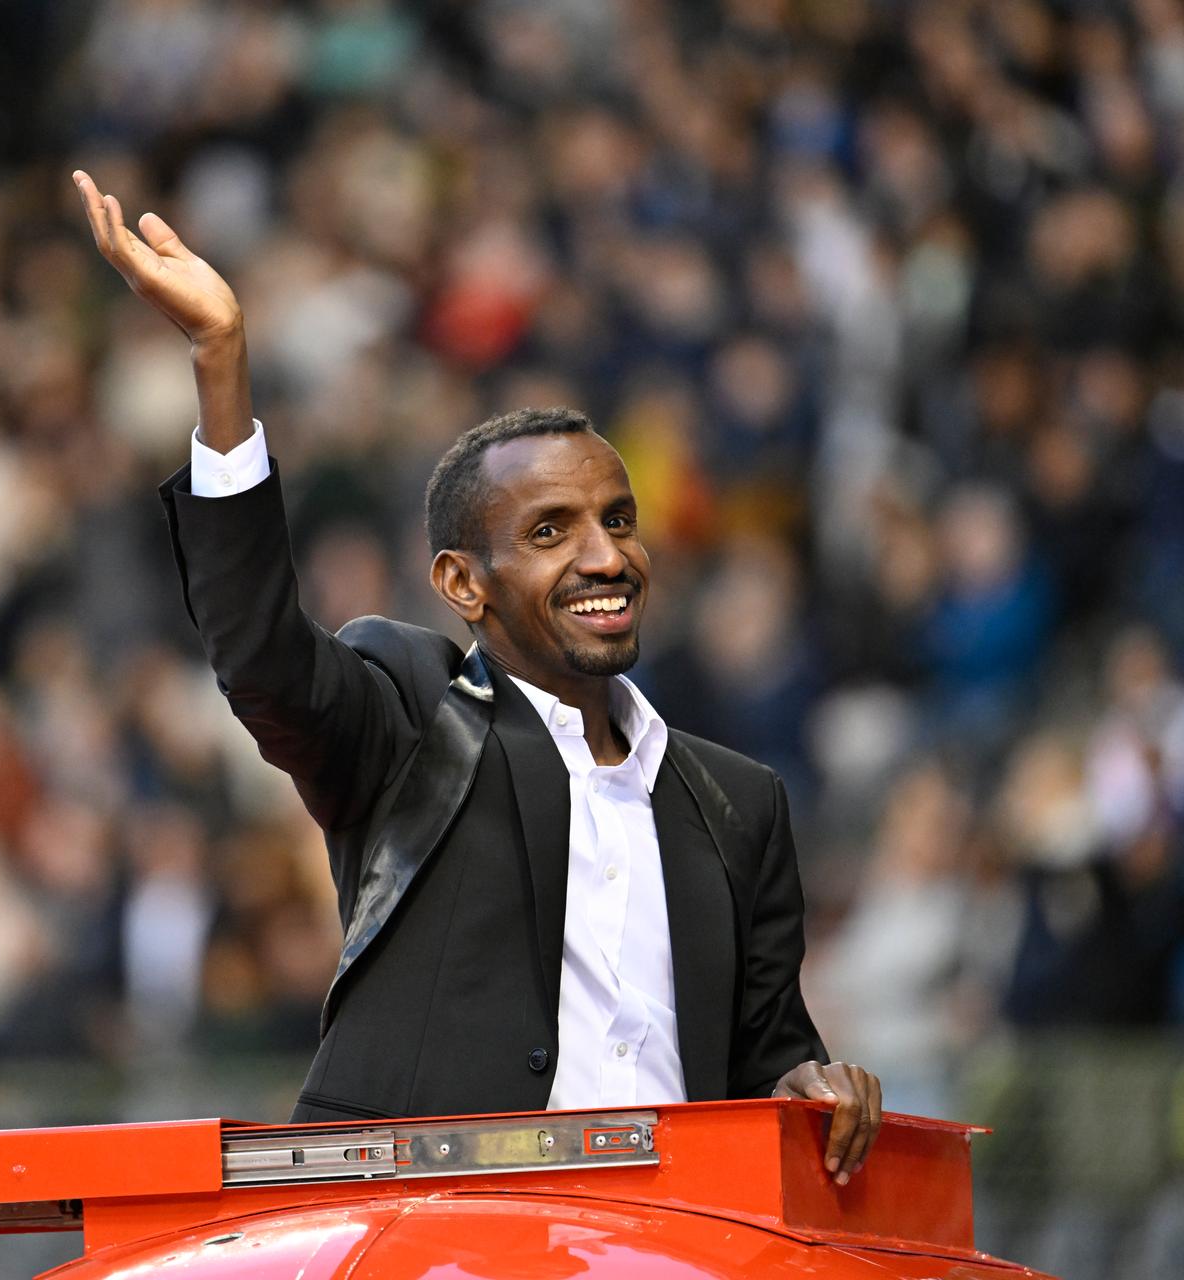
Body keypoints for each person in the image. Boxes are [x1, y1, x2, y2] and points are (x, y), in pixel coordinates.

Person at [72, 171, 885, 1183]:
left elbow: (766, 1056)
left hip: (674, 1246)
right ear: (463, 582)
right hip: (439, 1235)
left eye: (618, 520)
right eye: (551, 531)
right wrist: (221, 363)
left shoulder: (743, 805)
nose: (606, 556)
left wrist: (812, 1084)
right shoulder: (412, 715)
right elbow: (265, 658)